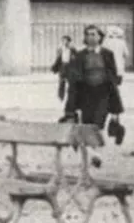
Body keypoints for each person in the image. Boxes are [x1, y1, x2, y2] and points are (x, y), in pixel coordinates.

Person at [64, 25, 124, 165]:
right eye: (88, 34)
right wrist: (71, 106)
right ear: (85, 38)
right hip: (86, 95)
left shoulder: (108, 54)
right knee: (88, 123)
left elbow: (112, 77)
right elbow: (74, 80)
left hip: (103, 94)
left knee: (98, 123)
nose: (91, 37)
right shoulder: (80, 55)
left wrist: (116, 106)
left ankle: (95, 152)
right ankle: (92, 152)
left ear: (100, 37)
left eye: (94, 34)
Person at [50, 36, 74, 102]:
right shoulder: (59, 49)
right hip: (62, 67)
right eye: (63, 41)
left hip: (70, 67)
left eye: (66, 41)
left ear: (69, 42)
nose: (65, 42)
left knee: (71, 83)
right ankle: (61, 97)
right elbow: (57, 59)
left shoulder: (72, 49)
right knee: (61, 82)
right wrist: (55, 67)